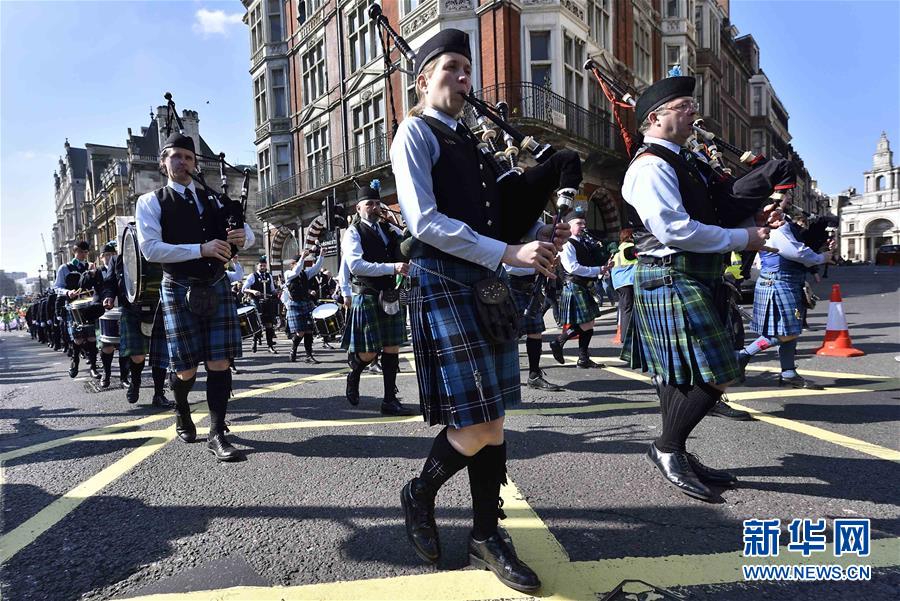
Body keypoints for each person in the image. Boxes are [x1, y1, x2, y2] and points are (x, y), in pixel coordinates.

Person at [390, 28, 579, 593]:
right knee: (473, 424)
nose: (463, 78)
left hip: (483, 283)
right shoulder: (413, 134)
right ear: (422, 79)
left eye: (468, 69)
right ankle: (420, 491)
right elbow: (422, 221)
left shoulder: (471, 144)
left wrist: (541, 232)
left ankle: (485, 532)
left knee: (491, 421)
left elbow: (496, 217)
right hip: (442, 280)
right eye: (451, 67)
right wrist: (506, 251)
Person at [621, 75, 781, 501]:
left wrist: (757, 214)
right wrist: (743, 240)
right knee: (720, 372)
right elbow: (675, 230)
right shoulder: (650, 165)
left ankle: (676, 450)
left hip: (695, 274)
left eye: (693, 105)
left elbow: (719, 208)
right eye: (684, 106)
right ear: (654, 118)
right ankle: (667, 447)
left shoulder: (686, 159)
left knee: (681, 374)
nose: (695, 112)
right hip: (670, 273)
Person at [135, 132, 254, 462]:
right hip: (179, 286)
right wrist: (199, 249)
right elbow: (149, 249)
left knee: (219, 361)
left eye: (188, 158)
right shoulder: (151, 202)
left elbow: (245, 233)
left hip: (215, 283)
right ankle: (182, 407)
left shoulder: (213, 198)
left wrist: (244, 236)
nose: (183, 162)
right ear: (164, 163)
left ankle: (217, 433)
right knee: (186, 369)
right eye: (176, 157)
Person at [742, 197, 833, 389]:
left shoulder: (779, 228)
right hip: (779, 284)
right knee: (786, 332)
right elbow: (798, 253)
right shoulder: (778, 231)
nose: (778, 213)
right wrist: (821, 257)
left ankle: (788, 373)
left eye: (780, 210)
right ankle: (742, 356)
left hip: (782, 283)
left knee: (790, 331)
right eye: (774, 210)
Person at [342, 180, 414, 416]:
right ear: (358, 209)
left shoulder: (387, 229)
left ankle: (389, 400)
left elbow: (407, 237)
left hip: (390, 296)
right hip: (368, 295)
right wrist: (392, 268)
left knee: (392, 348)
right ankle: (355, 372)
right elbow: (356, 265)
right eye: (368, 204)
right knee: (369, 353)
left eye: (376, 203)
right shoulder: (353, 232)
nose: (373, 207)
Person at [102, 240, 173, 406]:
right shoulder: (118, 259)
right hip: (133, 307)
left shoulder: (160, 250)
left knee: (160, 354)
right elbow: (110, 282)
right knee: (137, 355)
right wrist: (109, 296)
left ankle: (158, 393)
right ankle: (135, 382)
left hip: (159, 305)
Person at [549, 210, 607, 368]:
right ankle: (560, 343)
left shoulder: (583, 242)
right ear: (568, 226)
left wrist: (602, 268)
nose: (583, 226)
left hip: (583, 285)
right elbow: (573, 267)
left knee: (588, 323)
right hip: (574, 285)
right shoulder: (568, 244)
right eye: (579, 223)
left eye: (584, 223)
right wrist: (598, 270)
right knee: (586, 323)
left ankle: (582, 357)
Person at [504, 264, 563, 391]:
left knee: (536, 332)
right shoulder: (510, 243)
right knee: (508, 333)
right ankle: (503, 378)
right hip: (510, 289)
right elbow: (506, 266)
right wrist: (539, 268)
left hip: (530, 290)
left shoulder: (534, 243)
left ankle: (534, 376)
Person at [55, 240, 101, 379]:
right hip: (74, 306)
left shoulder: (90, 266)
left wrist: (95, 274)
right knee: (78, 339)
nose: (83, 255)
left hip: (90, 305)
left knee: (92, 337)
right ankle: (75, 361)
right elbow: (57, 287)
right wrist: (68, 293)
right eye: (80, 252)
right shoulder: (65, 268)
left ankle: (93, 367)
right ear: (74, 252)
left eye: (86, 252)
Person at [82, 241, 119, 389]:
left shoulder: (120, 267)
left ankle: (124, 376)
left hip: (119, 307)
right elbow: (82, 284)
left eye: (112, 254)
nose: (109, 257)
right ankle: (106, 373)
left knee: (124, 345)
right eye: (107, 255)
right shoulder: (96, 270)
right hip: (101, 310)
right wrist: (88, 273)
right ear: (101, 257)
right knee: (106, 344)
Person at [284, 249, 324, 363]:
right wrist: (302, 257)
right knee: (300, 332)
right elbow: (295, 272)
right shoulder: (288, 274)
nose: (300, 264)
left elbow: (316, 269)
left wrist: (321, 256)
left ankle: (309, 355)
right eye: (297, 263)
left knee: (309, 331)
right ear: (292, 264)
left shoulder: (305, 274)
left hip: (306, 303)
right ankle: (293, 350)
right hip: (294, 304)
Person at [242, 255, 278, 353]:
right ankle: (254, 341)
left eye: (264, 266)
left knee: (269, 324)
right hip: (257, 302)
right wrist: (253, 291)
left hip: (268, 303)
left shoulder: (269, 276)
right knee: (257, 324)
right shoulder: (252, 276)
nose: (263, 267)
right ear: (257, 266)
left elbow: (272, 289)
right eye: (261, 265)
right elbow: (244, 289)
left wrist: (277, 291)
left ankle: (270, 346)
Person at [610, 228, 637, 342]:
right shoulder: (629, 248)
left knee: (624, 309)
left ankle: (624, 335)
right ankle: (626, 337)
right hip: (628, 281)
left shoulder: (618, 249)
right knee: (628, 310)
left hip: (619, 283)